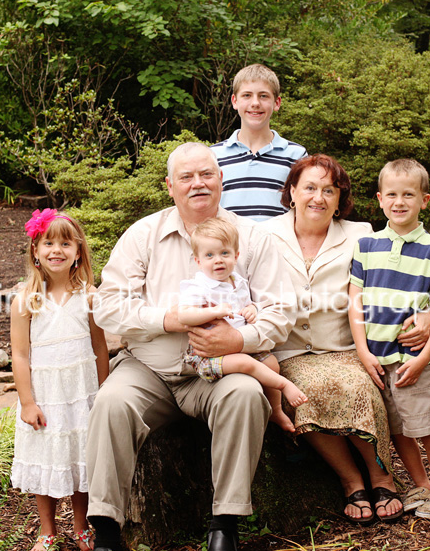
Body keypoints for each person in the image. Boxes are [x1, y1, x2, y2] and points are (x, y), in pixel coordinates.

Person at [86, 142, 296, 551]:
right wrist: (166, 320)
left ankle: (225, 524)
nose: (197, 184)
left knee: (246, 394)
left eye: (206, 174)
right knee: (111, 402)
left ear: (220, 180)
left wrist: (240, 339)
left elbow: (280, 310)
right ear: (170, 185)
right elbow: (108, 306)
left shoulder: (253, 238)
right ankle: (107, 531)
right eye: (186, 177)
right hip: (149, 369)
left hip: (220, 370)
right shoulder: (143, 235)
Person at [261, 154, 430, 525]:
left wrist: (425, 313)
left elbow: (398, 281)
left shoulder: (361, 235)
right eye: (309, 187)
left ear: (341, 199)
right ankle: (351, 480)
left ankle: (382, 477)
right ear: (292, 192)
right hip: (288, 350)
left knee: (359, 387)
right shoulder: (262, 235)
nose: (318, 197)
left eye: (329, 190)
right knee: (306, 392)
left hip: (345, 347)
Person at [348, 158, 430, 519]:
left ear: (424, 200)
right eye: (392, 194)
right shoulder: (366, 246)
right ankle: (422, 487)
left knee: (425, 426)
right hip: (376, 359)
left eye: (408, 194)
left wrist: (424, 356)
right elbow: (355, 303)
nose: (399, 202)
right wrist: (363, 351)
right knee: (397, 430)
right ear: (380, 199)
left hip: (410, 359)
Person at [11, 209, 110, 551]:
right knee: (47, 460)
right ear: (35, 252)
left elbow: (100, 348)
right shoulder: (26, 299)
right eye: (48, 242)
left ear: (78, 251)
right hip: (46, 396)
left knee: (81, 461)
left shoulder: (90, 297)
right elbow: (20, 355)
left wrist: (103, 394)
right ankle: (47, 530)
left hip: (83, 394)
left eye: (65, 243)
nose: (57, 249)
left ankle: (82, 527)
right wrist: (27, 402)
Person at [179, 216, 308, 432]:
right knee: (246, 364)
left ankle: (275, 410)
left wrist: (253, 309)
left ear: (236, 256)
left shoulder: (237, 282)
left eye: (224, 253)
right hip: (208, 355)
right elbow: (184, 316)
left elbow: (247, 304)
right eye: (209, 255)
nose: (218, 260)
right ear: (198, 261)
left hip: (239, 345)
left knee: (271, 363)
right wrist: (213, 311)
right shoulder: (198, 287)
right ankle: (285, 385)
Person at [211, 64, 306, 221]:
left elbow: (303, 207)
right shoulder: (213, 156)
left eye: (263, 96)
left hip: (277, 243)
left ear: (277, 103)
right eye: (247, 95)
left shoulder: (296, 155)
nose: (255, 103)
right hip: (228, 244)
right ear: (234, 101)